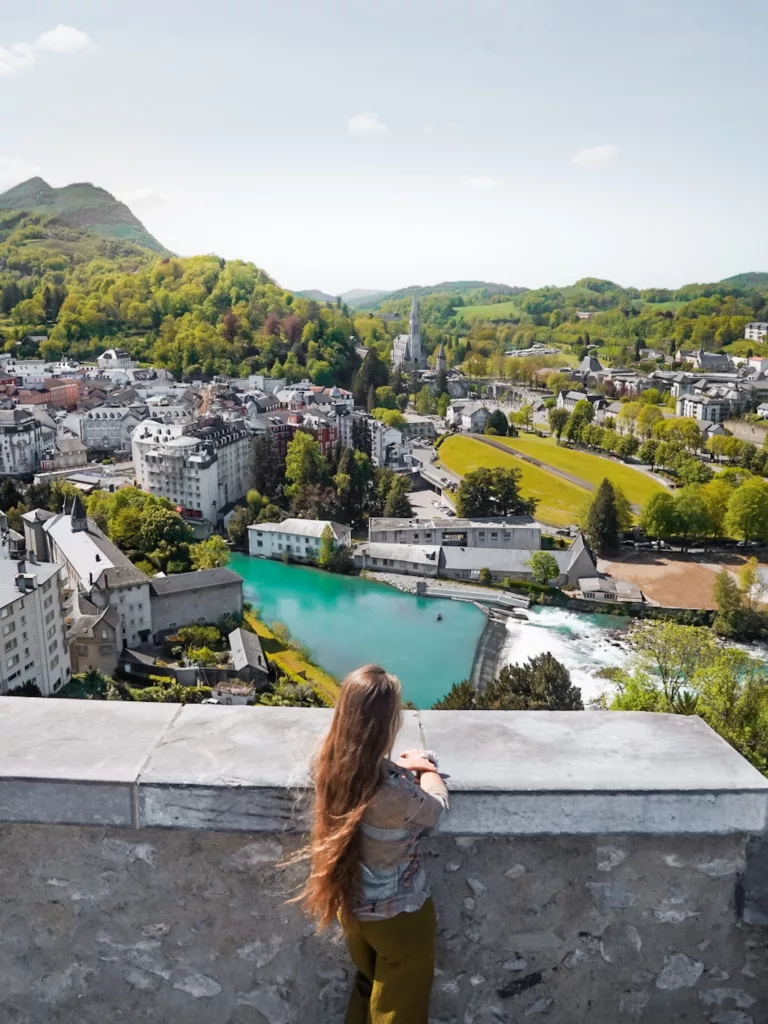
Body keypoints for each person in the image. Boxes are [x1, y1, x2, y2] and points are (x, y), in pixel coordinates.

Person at [296, 664, 449, 1024]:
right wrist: (427, 771)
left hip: (350, 905)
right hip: (398, 917)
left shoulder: (326, 766)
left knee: (368, 986)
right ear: (386, 724)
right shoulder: (393, 792)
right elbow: (436, 810)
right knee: (400, 1008)